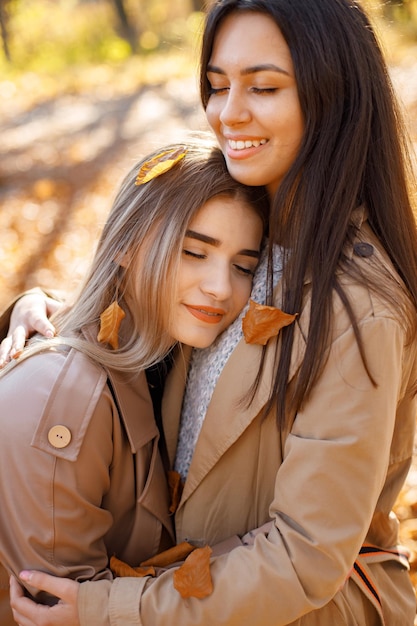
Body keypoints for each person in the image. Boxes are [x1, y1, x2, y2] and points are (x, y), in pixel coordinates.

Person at [5, 0, 417, 624]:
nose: (230, 112)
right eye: (218, 85)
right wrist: (51, 309)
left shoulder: (358, 305)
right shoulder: (261, 225)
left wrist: (110, 608)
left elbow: (305, 555)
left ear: (335, 95)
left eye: (265, 86)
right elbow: (165, 278)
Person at [0, 139, 268, 625]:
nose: (221, 287)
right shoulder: (62, 401)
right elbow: (54, 608)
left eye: (244, 266)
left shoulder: (170, 355)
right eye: (193, 252)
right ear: (124, 244)